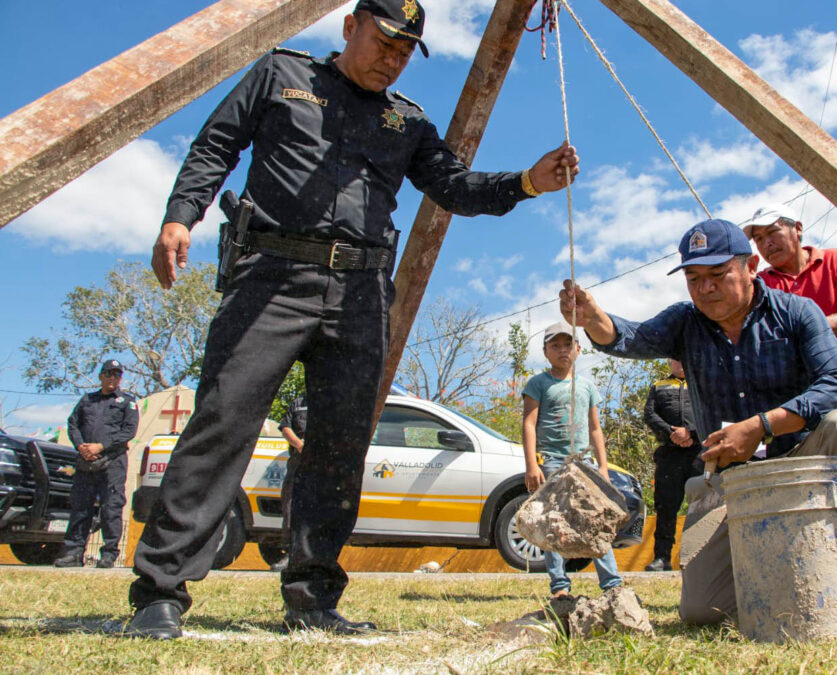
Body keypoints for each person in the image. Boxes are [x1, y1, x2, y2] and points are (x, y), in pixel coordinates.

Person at [127, 0, 581, 639]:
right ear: (350, 27)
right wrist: (181, 214)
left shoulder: (407, 120)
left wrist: (528, 182)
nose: (392, 59)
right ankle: (160, 593)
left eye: (405, 51)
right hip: (271, 278)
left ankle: (312, 598)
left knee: (339, 449)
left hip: (363, 293)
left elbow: (456, 187)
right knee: (222, 424)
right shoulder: (280, 74)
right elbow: (215, 145)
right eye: (385, 41)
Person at [557, 218, 837, 625]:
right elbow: (629, 337)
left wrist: (761, 426)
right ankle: (769, 581)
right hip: (729, 480)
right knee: (700, 613)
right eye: (693, 278)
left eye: (717, 274)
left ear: (750, 268)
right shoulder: (684, 321)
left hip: (799, 463)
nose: (705, 288)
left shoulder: (797, 312)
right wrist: (590, 317)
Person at [742, 203, 837, 612]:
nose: (766, 242)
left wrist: (813, 325)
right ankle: (816, 569)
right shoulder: (764, 285)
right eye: (758, 239)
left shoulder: (835, 262)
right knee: (801, 483)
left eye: (773, 232)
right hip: (798, 400)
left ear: (798, 230)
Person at [522, 321, 623, 598]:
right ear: (545, 352)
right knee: (554, 521)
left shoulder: (587, 386)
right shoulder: (538, 384)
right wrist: (532, 464)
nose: (562, 350)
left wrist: (602, 466)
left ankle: (612, 584)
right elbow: (529, 424)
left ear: (578, 349)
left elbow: (594, 428)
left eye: (568, 345)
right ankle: (559, 586)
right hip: (552, 461)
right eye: (555, 345)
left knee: (595, 518)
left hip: (584, 462)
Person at [54, 359, 139, 569]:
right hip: (85, 462)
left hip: (112, 462)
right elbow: (73, 423)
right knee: (81, 507)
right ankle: (74, 552)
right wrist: (81, 446)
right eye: (108, 374)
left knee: (111, 508)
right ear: (101, 376)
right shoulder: (87, 400)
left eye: (116, 375)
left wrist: (101, 446)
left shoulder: (127, 402)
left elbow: (129, 431)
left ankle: (109, 554)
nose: (112, 378)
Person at [642, 359, 702, 572]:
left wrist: (691, 434)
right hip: (669, 455)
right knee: (666, 506)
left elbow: (714, 412)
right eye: (676, 357)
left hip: (701, 454)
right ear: (670, 361)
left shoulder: (703, 383)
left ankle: (702, 557)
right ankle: (662, 558)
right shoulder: (659, 386)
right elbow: (649, 415)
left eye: (684, 356)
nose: (681, 362)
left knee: (704, 504)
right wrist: (671, 433)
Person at [274, 393, 308, 572]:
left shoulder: (331, 399)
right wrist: (299, 445)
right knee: (290, 509)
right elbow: (285, 427)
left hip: (323, 464)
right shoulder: (298, 403)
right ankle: (290, 555)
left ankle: (313, 558)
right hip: (298, 463)